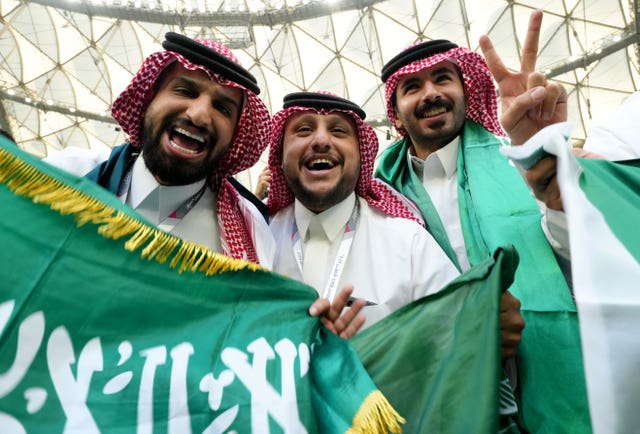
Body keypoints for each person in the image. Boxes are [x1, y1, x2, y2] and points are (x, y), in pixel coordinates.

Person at [373, 10, 588, 433]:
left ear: (467, 91)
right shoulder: (379, 194)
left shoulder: (520, 161)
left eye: (442, 79)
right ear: (396, 113)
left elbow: (576, 256)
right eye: (412, 87)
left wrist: (551, 174)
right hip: (438, 387)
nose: (430, 93)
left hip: (541, 366)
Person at [45, 32, 274, 265]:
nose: (199, 116)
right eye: (185, 91)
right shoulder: (64, 174)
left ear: (235, 135)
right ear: (148, 99)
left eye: (222, 108)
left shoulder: (251, 232)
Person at [266, 91, 460, 329]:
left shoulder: (407, 242)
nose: (321, 141)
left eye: (338, 131)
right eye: (304, 130)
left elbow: (457, 331)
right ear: (280, 153)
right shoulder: (257, 237)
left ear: (361, 156)